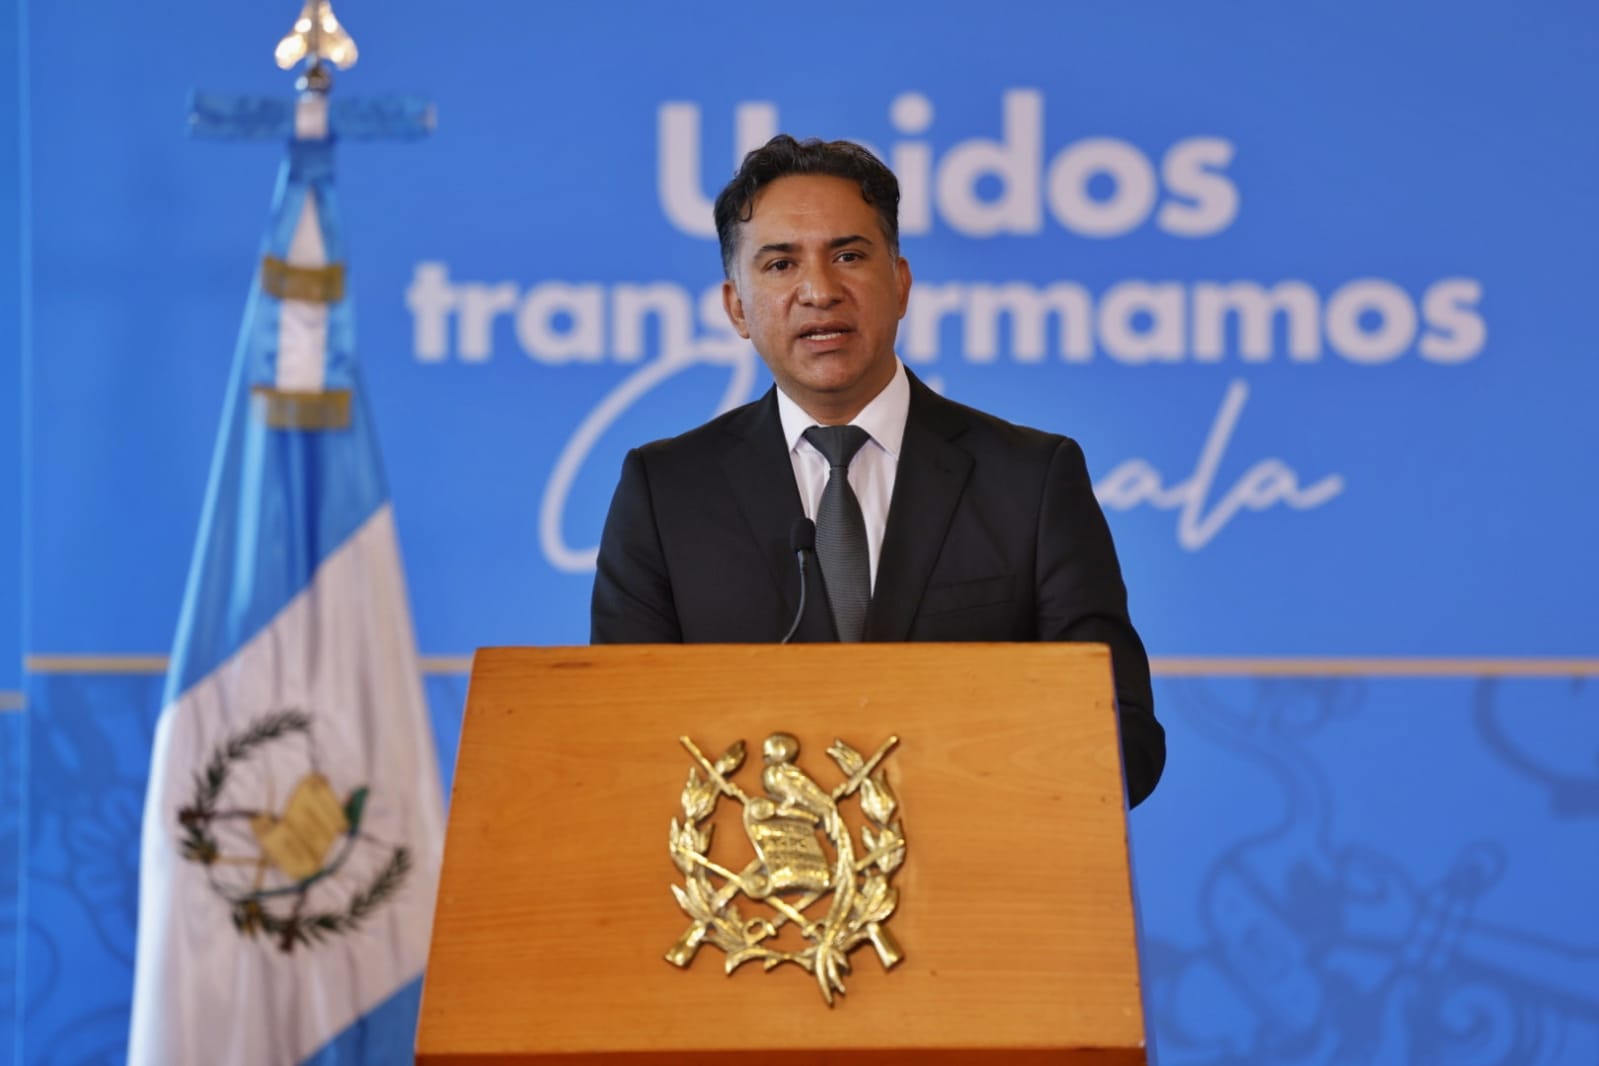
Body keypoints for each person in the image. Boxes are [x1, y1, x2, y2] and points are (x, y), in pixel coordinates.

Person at [591, 135, 1164, 806]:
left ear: (900, 283)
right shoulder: (667, 493)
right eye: (780, 264)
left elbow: (1122, 739)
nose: (819, 291)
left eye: (848, 256)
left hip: (976, 862)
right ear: (737, 307)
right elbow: (621, 743)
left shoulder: (1030, 480)